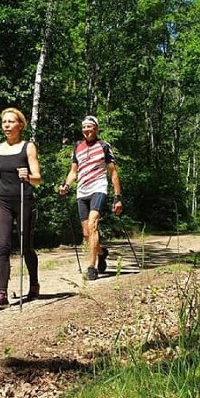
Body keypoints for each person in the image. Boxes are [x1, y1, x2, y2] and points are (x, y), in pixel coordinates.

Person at [0, 108, 42, 310]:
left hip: (24, 198)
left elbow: (38, 179)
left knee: (25, 245)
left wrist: (28, 176)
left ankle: (34, 283)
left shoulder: (28, 147)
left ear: (20, 125)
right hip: (3, 201)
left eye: (11, 122)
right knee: (2, 245)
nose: (6, 125)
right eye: (4, 122)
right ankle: (2, 294)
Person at [58, 115, 122, 281]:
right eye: (84, 127)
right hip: (82, 190)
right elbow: (73, 171)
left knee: (93, 224)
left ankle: (91, 267)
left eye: (90, 127)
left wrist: (117, 197)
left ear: (96, 129)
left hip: (98, 188)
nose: (86, 130)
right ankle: (101, 252)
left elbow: (113, 172)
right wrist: (66, 185)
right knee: (86, 234)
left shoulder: (104, 146)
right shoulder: (77, 146)